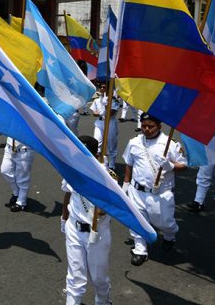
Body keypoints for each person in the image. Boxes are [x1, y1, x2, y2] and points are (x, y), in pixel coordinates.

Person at [121, 113, 187, 266]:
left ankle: (170, 235)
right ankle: (140, 249)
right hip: (137, 191)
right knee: (137, 220)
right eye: (144, 126)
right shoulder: (134, 142)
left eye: (151, 126)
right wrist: (125, 183)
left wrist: (171, 166)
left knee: (165, 223)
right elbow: (129, 163)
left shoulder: (170, 144)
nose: (146, 129)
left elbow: (184, 165)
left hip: (161, 193)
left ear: (159, 126)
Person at [61, 136, 112, 305]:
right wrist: (64, 218)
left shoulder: (107, 177)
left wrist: (101, 207)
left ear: (95, 155)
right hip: (74, 229)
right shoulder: (72, 169)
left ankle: (103, 300)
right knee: (75, 277)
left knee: (99, 278)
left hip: (97, 233)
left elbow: (110, 208)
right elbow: (68, 193)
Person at [90, 83, 120, 171]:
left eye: (104, 87)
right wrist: (100, 112)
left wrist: (106, 105)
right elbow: (94, 113)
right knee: (96, 142)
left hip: (110, 122)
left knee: (111, 143)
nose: (102, 88)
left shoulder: (114, 100)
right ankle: (96, 162)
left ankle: (111, 164)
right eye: (101, 87)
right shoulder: (96, 100)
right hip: (99, 123)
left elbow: (111, 113)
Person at [1, 137, 34, 212]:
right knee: (5, 170)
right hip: (9, 147)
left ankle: (21, 202)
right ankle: (16, 193)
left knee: (22, 178)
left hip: (25, 150)